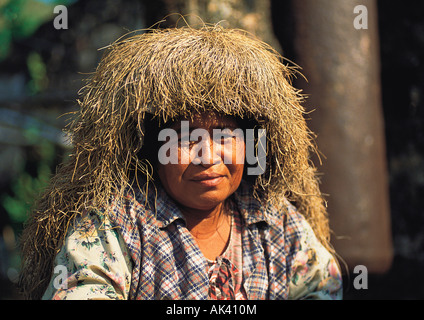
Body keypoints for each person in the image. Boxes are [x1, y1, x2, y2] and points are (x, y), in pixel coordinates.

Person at [19, 25, 342, 300]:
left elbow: (321, 287)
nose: (209, 157)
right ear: (153, 149)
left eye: (226, 137)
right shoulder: (117, 225)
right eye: (186, 140)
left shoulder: (275, 220)